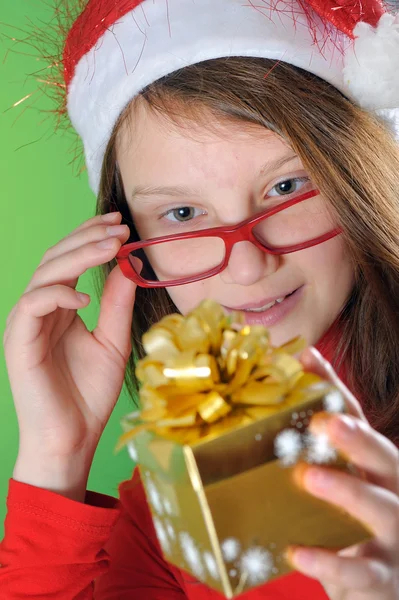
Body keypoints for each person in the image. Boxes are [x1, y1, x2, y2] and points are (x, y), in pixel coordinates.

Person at [1, 0, 399, 598]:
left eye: (286, 185)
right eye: (183, 213)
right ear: (133, 243)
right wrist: (57, 460)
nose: (247, 263)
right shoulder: (168, 521)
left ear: (358, 175)